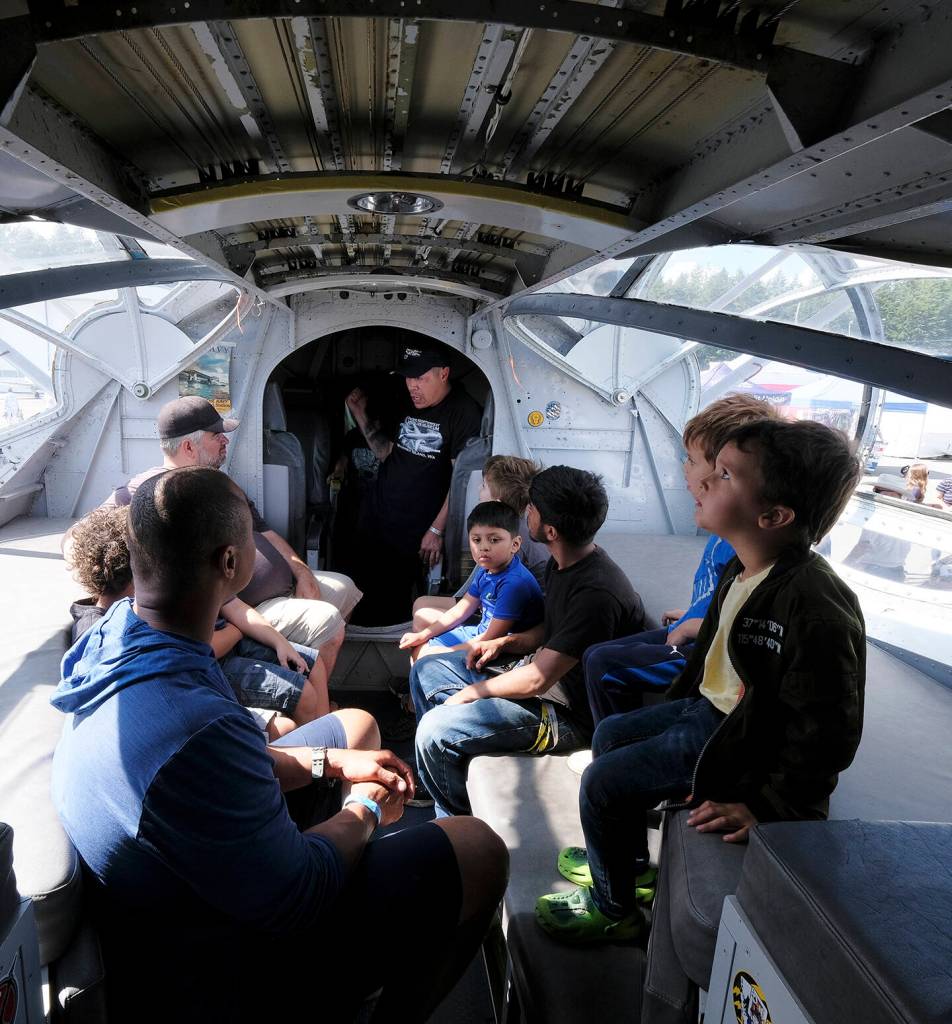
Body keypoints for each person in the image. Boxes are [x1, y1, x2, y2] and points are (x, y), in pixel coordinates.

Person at [50, 467, 508, 1022]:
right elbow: (299, 890)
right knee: (478, 849)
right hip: (219, 958)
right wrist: (365, 810)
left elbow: (219, 765)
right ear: (230, 563)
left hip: (178, 880)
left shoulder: (123, 631)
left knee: (356, 726)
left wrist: (329, 760)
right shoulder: (197, 727)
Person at [535, 419, 865, 945]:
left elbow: (829, 730)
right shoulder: (741, 569)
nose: (706, 479)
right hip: (709, 710)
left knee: (601, 783)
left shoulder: (816, 606)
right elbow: (712, 657)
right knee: (610, 734)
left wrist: (769, 807)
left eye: (727, 474)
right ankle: (630, 865)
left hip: (738, 739)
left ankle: (614, 907)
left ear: (773, 516)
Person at [411, 466, 647, 817]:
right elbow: (553, 630)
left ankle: (458, 825)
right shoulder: (564, 562)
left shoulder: (596, 594)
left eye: (532, 508)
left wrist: (472, 694)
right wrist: (509, 642)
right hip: (542, 682)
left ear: (550, 531)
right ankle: (445, 772)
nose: (526, 513)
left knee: (435, 730)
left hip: (569, 716)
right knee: (427, 669)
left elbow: (539, 678)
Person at [84, 395, 361, 674]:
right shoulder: (149, 493)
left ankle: (309, 675)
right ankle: (311, 689)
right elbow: (82, 536)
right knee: (329, 624)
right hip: (244, 608)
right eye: (216, 436)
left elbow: (265, 531)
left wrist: (301, 571)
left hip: (280, 588)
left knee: (345, 587)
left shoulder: (219, 483)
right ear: (189, 446)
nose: (225, 440)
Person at [581, 395, 780, 726]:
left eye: (691, 459)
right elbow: (722, 596)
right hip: (698, 627)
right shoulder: (721, 530)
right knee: (594, 654)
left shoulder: (741, 546)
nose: (684, 468)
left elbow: (747, 625)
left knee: (603, 664)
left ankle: (617, 740)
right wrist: (694, 612)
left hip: (706, 648)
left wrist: (697, 625)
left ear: (723, 472)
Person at [65, 503, 331, 740]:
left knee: (312, 664)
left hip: (230, 645)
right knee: (304, 696)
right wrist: (236, 631)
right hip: (207, 668)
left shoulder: (160, 587)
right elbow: (199, 648)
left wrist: (279, 642)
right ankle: (315, 764)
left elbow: (235, 607)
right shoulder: (106, 627)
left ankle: (327, 744)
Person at [345, 344, 482, 623]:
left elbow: (461, 481)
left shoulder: (463, 412)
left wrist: (436, 529)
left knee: (395, 598)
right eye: (408, 377)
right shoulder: (407, 401)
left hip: (417, 526)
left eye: (420, 377)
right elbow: (387, 453)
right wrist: (359, 414)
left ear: (444, 374)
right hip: (378, 513)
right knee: (361, 588)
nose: (412, 386)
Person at [409, 452, 545, 637]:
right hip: (492, 602)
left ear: (497, 501)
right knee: (421, 604)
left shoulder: (509, 541)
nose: (479, 489)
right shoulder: (512, 525)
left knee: (423, 615)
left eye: (484, 486)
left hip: (509, 618)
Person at [399, 500, 544, 670]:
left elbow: (492, 638)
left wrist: (443, 652)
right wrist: (423, 636)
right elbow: (461, 610)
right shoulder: (486, 569)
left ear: (515, 544)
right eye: (477, 540)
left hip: (501, 650)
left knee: (424, 657)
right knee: (419, 648)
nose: (484, 547)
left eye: (494, 540)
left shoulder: (514, 584)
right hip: (480, 632)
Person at [842, 472, 911, 581]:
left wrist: (847, 562)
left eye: (877, 491)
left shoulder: (876, 515)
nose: (873, 493)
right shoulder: (906, 516)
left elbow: (862, 547)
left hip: (873, 569)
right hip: (896, 571)